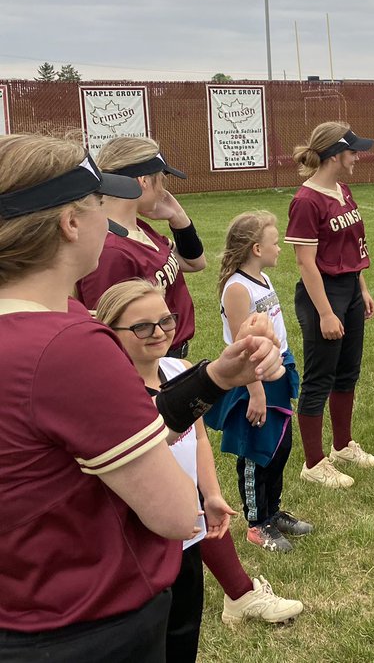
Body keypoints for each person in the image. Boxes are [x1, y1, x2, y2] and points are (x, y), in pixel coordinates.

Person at [0, 133, 284, 661]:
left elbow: (111, 432)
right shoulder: (69, 346)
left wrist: (214, 377)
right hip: (84, 621)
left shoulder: (51, 322)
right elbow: (178, 515)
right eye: (95, 203)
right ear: (69, 223)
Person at [96, 281, 302, 657]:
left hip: (189, 529)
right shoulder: (114, 392)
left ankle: (237, 597)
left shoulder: (182, 369)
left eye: (166, 320)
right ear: (110, 333)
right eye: (142, 327)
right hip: (147, 533)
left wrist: (210, 494)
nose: (159, 332)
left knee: (184, 626)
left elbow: (199, 439)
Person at [204, 211, 309, 553]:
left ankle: (273, 511)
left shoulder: (261, 278)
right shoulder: (237, 288)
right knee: (256, 451)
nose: (280, 248)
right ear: (256, 248)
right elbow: (242, 347)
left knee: (280, 447)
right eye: (275, 243)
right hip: (255, 382)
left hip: (277, 371)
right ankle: (256, 522)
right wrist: (256, 393)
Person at [286, 121, 374, 489]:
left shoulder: (342, 189)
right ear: (335, 154)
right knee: (319, 378)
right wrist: (325, 312)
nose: (357, 156)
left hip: (349, 289)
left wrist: (363, 287)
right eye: (353, 151)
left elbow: (351, 247)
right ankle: (313, 463)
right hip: (323, 294)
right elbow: (305, 262)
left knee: (347, 372)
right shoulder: (307, 200)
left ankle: (342, 446)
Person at [77, 137, 205, 359]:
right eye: (161, 180)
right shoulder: (111, 250)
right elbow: (108, 331)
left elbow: (195, 262)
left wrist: (179, 219)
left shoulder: (138, 228)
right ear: (143, 181)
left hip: (166, 356)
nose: (164, 191)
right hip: (149, 362)